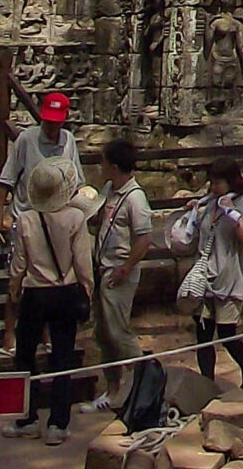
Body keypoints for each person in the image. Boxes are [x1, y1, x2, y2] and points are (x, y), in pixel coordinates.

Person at [7, 159, 94, 445]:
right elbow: (83, 262)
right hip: (65, 290)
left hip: (35, 292)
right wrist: (87, 292)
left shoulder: (27, 219)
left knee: (25, 357)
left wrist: (13, 290)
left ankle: (27, 417)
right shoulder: (75, 219)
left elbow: (19, 263)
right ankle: (58, 422)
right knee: (62, 357)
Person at [176, 158, 243, 392]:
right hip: (205, 279)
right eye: (211, 182)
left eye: (218, 182)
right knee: (203, 334)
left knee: (226, 333)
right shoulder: (210, 204)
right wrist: (193, 214)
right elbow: (192, 239)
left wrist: (232, 214)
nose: (214, 187)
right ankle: (207, 384)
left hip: (230, 279)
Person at [89, 141, 155, 414]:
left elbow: (144, 239)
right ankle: (112, 388)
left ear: (113, 166)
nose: (100, 167)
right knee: (103, 333)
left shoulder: (136, 198)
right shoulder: (109, 190)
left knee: (118, 332)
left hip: (119, 271)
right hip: (102, 267)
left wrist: (125, 268)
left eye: (103, 162)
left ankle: (143, 386)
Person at [0, 91, 84, 237]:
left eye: (56, 122)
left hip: (55, 220)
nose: (51, 126)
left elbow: (77, 183)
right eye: (48, 121)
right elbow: (6, 179)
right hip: (24, 216)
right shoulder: (26, 139)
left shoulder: (69, 140)